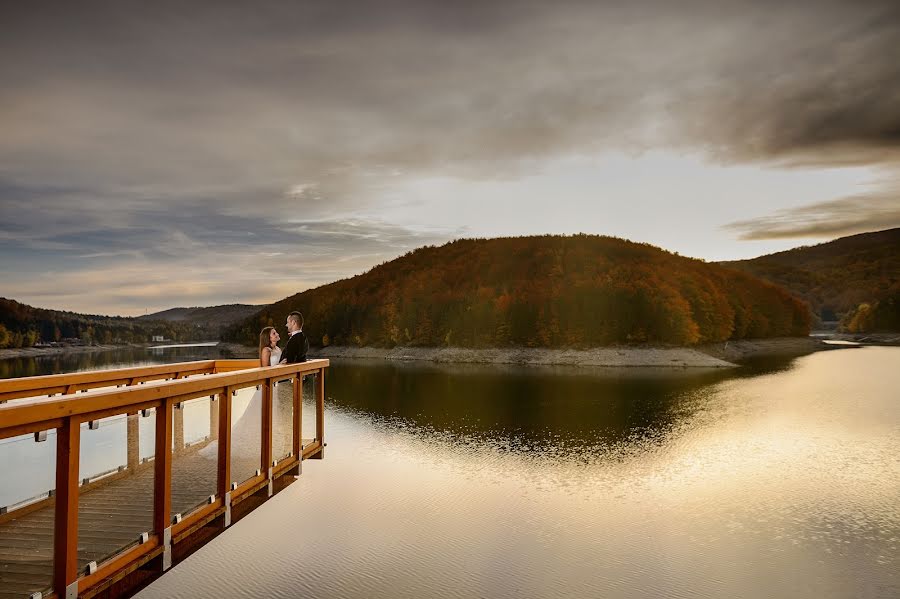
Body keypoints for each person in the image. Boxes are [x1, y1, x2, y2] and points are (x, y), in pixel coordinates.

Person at [199, 326, 281, 461]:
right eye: (274, 333)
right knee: (259, 415)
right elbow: (265, 371)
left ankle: (269, 442)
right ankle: (258, 443)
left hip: (276, 387)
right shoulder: (266, 351)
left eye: (276, 332)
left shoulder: (277, 349)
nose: (277, 334)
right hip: (268, 387)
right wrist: (280, 365)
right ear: (268, 337)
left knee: (272, 414)